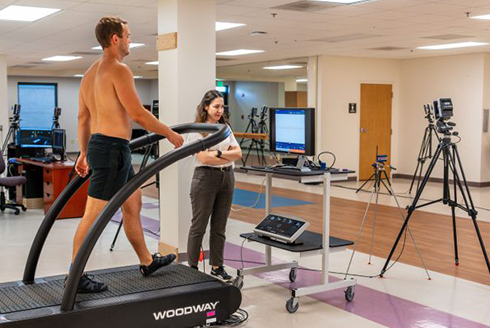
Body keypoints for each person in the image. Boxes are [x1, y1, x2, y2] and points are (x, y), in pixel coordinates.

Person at [72, 16, 184, 293]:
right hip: (112, 149)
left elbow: (82, 118)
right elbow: (137, 114)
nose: (130, 40)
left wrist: (84, 152)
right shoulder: (119, 70)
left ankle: (147, 261)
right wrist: (169, 133)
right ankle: (75, 275)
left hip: (104, 147)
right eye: (128, 35)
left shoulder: (89, 74)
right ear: (115, 39)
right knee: (93, 215)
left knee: (132, 204)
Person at [186, 90, 242, 281]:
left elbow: (238, 153)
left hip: (227, 178)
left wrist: (216, 155)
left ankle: (217, 266)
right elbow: (203, 158)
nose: (220, 110)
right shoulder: (196, 130)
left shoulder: (224, 128)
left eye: (222, 107)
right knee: (199, 226)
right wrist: (224, 155)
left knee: (220, 227)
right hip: (204, 178)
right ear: (206, 107)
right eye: (216, 106)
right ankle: (192, 267)